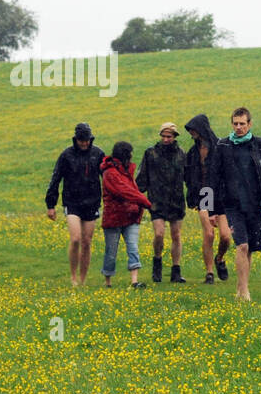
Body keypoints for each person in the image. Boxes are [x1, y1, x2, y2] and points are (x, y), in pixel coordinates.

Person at [214, 107, 261, 301]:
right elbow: (212, 178)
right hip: (231, 204)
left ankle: (242, 288)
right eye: (235, 124)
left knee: (249, 248)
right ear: (231, 124)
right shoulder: (222, 145)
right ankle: (243, 291)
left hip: (254, 204)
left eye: (242, 124)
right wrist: (210, 209)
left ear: (250, 124)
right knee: (241, 246)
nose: (238, 127)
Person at [45, 122, 105, 286]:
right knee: (76, 238)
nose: (84, 143)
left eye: (87, 140)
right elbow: (56, 178)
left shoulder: (98, 154)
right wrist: (51, 205)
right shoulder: (67, 155)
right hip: (72, 202)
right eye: (81, 140)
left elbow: (107, 177)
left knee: (86, 242)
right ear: (76, 139)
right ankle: (73, 277)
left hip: (92, 202)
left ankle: (83, 279)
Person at [183, 113, 232, 284]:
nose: (191, 133)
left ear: (201, 129)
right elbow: (188, 175)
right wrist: (192, 194)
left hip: (221, 195)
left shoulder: (220, 148)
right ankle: (209, 272)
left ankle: (220, 258)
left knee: (226, 236)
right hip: (204, 194)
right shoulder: (192, 152)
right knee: (209, 234)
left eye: (193, 130)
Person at [137, 122, 188, 283]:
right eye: (163, 136)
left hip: (176, 201)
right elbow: (142, 177)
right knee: (159, 234)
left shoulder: (181, 154)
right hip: (157, 201)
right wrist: (137, 197)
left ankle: (176, 270)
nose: (166, 139)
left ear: (174, 137)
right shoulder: (150, 153)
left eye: (169, 136)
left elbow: (189, 178)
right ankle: (157, 263)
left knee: (176, 235)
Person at [99, 141, 153, 288]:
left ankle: (134, 281)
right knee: (111, 251)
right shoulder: (110, 173)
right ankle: (108, 281)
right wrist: (146, 203)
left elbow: (132, 190)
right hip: (114, 217)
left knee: (133, 248)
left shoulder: (127, 171)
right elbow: (125, 191)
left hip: (131, 215)